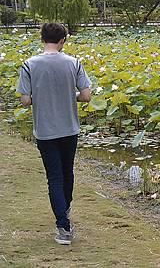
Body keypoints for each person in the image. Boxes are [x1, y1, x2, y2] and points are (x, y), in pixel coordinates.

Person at [16, 23, 92, 245]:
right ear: (63, 41)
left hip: (45, 130)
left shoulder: (29, 65)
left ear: (42, 39)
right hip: (69, 129)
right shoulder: (74, 63)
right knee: (67, 173)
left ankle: (63, 227)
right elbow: (86, 96)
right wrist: (70, 97)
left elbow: (25, 100)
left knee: (54, 177)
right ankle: (64, 212)